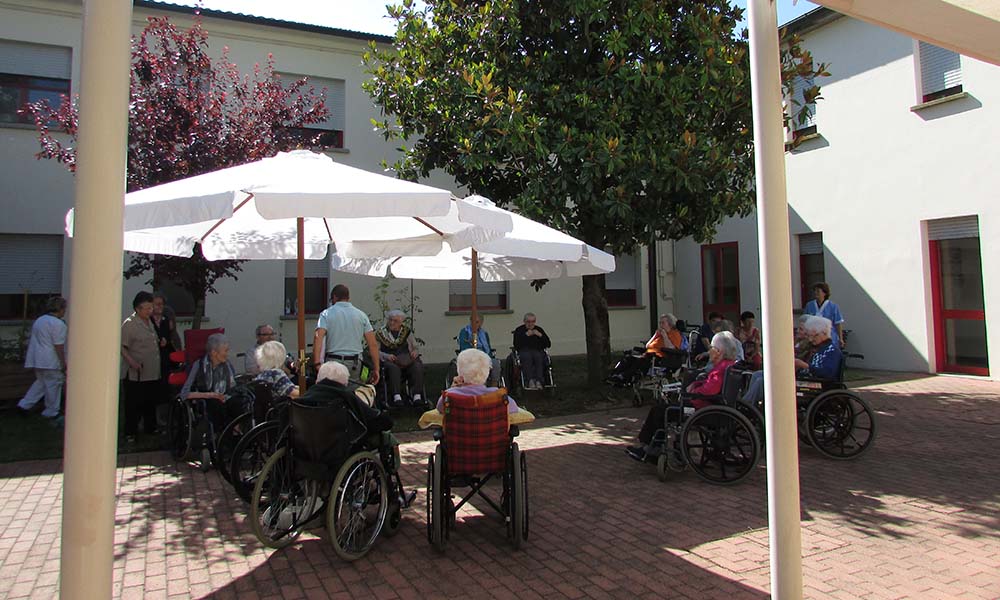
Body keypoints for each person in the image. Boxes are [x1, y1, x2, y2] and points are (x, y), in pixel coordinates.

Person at [626, 331, 741, 462]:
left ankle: (652, 449)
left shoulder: (720, 369)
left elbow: (709, 390)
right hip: (712, 406)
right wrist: (697, 384)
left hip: (701, 409)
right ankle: (650, 447)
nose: (710, 351)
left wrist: (693, 389)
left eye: (712, 348)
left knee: (659, 410)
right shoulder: (728, 366)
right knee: (662, 409)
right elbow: (710, 385)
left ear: (719, 351)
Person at [741, 315, 842, 408]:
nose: (811, 339)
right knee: (758, 375)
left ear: (824, 333)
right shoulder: (818, 348)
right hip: (803, 379)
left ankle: (747, 406)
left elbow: (827, 373)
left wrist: (805, 366)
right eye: (809, 336)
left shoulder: (831, 351)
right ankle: (749, 405)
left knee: (762, 382)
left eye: (813, 336)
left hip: (813, 384)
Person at [299, 361, 393, 435]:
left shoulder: (304, 398)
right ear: (344, 382)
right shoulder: (345, 397)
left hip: (306, 449)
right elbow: (377, 419)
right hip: (339, 448)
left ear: (318, 379)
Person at [313, 285, 380, 385]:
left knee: (333, 395)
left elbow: (318, 338)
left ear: (335, 297)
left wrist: (317, 363)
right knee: (353, 395)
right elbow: (373, 344)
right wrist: (376, 369)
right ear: (348, 297)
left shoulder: (326, 314)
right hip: (354, 363)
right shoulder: (361, 315)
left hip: (333, 362)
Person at [17, 297, 68, 420]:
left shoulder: (40, 320)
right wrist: (63, 362)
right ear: (60, 309)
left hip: (37, 358)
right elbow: (58, 345)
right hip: (50, 360)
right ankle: (51, 411)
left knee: (41, 382)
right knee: (54, 384)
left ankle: (25, 404)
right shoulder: (58, 324)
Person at [179, 333, 241, 431]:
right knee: (216, 405)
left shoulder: (227, 364)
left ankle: (236, 432)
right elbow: (184, 394)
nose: (227, 353)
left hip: (225, 397)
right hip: (207, 400)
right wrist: (210, 395)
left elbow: (233, 386)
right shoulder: (198, 365)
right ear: (213, 352)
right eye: (225, 351)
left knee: (238, 402)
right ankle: (222, 434)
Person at [121, 291, 161, 441]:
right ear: (137, 309)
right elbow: (122, 347)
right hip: (136, 372)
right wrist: (131, 361)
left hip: (152, 370)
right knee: (134, 402)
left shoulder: (150, 321)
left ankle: (150, 427)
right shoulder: (130, 324)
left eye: (151, 308)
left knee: (150, 401)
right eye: (146, 308)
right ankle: (130, 432)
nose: (150, 311)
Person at [436, 348, 521, 416]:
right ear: (487, 373)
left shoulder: (448, 397)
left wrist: (452, 389)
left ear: (459, 372)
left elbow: (440, 409)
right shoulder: (499, 396)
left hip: (459, 436)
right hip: (491, 436)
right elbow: (514, 410)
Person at [604, 314, 683, 386]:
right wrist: (655, 335)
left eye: (663, 323)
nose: (660, 325)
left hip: (660, 358)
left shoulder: (675, 334)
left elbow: (671, 348)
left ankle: (623, 377)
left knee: (640, 360)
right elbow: (647, 345)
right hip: (648, 354)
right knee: (628, 358)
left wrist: (665, 336)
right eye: (660, 323)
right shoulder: (660, 334)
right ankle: (614, 375)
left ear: (670, 324)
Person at [375, 310, 424, 407]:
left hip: (405, 359)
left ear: (401, 322)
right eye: (390, 320)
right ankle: (396, 397)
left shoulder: (406, 332)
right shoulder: (381, 333)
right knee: (393, 369)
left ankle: (416, 396)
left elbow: (415, 347)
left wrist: (415, 352)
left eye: (395, 321)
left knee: (417, 366)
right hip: (389, 359)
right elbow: (376, 351)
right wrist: (386, 356)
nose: (392, 323)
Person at [457, 314, 501, 386]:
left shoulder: (484, 333)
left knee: (495, 363)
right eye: (472, 321)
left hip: (485, 356)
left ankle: (494, 386)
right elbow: (464, 347)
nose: (474, 324)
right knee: (480, 365)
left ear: (481, 323)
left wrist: (486, 356)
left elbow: (488, 348)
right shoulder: (464, 332)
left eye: (477, 322)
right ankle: (481, 387)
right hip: (471, 357)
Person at [512, 312, 551, 390]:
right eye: (528, 322)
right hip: (524, 351)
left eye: (533, 321)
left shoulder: (539, 329)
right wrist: (525, 335)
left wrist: (540, 335)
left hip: (537, 351)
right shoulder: (519, 330)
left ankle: (539, 381)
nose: (531, 324)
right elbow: (516, 344)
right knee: (527, 357)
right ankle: (530, 380)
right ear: (524, 321)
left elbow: (548, 344)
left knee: (538, 356)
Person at [804, 282, 845, 348]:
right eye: (814, 291)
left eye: (818, 291)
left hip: (829, 337)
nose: (815, 293)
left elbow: (838, 323)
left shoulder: (833, 306)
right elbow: (805, 321)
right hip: (814, 337)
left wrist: (840, 339)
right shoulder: (809, 305)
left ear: (824, 293)